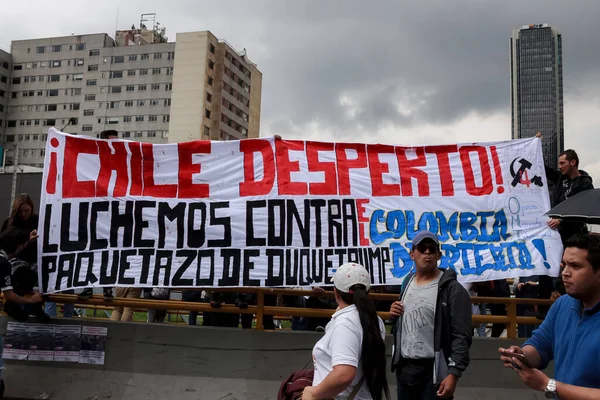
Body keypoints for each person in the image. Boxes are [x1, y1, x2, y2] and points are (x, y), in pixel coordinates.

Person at [499, 234, 600, 399]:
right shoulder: (563, 305)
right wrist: (521, 356)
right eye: (564, 265)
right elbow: (541, 344)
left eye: (575, 266)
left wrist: (549, 385)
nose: (565, 273)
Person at [390, 231, 472, 400]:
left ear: (438, 255)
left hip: (434, 373)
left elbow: (462, 335)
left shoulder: (453, 290)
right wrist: (394, 314)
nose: (427, 252)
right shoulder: (407, 282)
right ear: (412, 254)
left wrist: (453, 374)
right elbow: (403, 322)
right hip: (405, 370)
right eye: (422, 248)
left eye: (432, 248)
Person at [302, 263, 389, 400]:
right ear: (367, 291)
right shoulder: (373, 319)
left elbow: (344, 374)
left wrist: (313, 393)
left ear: (336, 293)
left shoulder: (346, 323)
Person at [78, 130, 119, 302]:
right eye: (112, 141)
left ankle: (107, 288)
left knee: (108, 252)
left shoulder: (120, 162)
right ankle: (88, 286)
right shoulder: (94, 162)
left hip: (113, 213)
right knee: (91, 249)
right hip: (95, 213)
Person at [0, 227, 47, 322]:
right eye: (21, 246)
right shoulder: (4, 263)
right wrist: (30, 300)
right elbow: (9, 295)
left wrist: (28, 241)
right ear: (17, 246)